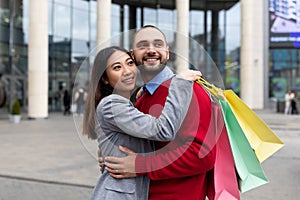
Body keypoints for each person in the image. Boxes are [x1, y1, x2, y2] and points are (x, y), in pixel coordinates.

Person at [102, 25, 219, 200]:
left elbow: (202, 155)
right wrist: (111, 155)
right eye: (143, 45)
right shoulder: (142, 98)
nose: (151, 50)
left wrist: (141, 164)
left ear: (167, 52)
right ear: (133, 55)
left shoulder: (191, 91)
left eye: (158, 45)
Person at [83, 46, 201, 199]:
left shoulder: (129, 104)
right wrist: (178, 85)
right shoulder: (111, 105)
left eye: (130, 63)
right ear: (105, 78)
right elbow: (163, 130)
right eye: (117, 67)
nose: (127, 71)